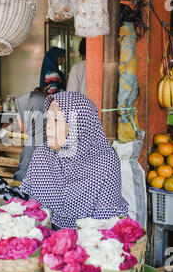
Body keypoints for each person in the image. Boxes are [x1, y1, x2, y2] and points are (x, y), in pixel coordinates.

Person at [20, 91, 129, 230]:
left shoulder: (105, 163)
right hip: (42, 242)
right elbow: (29, 209)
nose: (48, 126)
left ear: (78, 126)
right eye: (48, 119)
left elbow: (106, 225)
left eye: (56, 120)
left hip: (89, 245)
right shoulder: (42, 156)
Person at [13, 90, 47, 182]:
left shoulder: (33, 146)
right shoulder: (51, 139)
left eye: (20, 114)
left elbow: (21, 179)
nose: (17, 118)